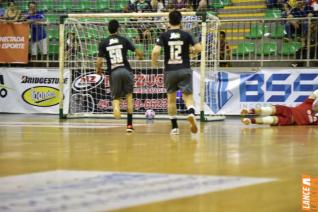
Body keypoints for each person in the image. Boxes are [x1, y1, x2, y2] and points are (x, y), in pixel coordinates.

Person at [151, 10, 202, 135]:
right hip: (184, 68)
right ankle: (191, 113)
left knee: (171, 100)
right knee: (188, 97)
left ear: (169, 21)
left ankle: (174, 128)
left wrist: (154, 63)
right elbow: (199, 48)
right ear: (181, 21)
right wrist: (191, 51)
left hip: (170, 70)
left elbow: (155, 52)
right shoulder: (186, 34)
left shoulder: (164, 35)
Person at [96, 19, 144, 133]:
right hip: (126, 71)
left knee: (116, 98)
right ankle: (129, 125)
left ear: (108, 29)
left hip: (114, 72)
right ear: (118, 28)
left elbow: (99, 61)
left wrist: (98, 70)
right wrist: (140, 57)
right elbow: (139, 52)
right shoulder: (124, 40)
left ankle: (116, 109)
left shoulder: (103, 42)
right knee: (129, 97)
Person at [241, 89, 318, 126]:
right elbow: (315, 94)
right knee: (272, 109)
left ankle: (250, 120)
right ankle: (250, 111)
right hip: (288, 110)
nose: (315, 104)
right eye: (316, 103)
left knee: (274, 120)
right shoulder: (308, 104)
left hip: (290, 120)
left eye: (317, 105)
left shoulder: (316, 119)